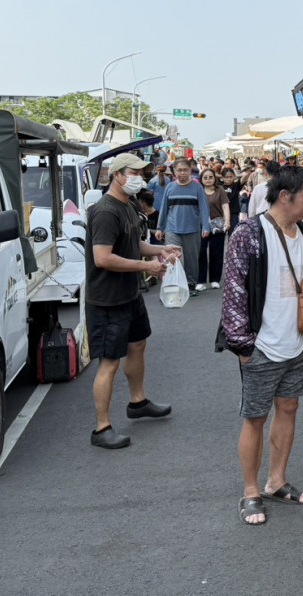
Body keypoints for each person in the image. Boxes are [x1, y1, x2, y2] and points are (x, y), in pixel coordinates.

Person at [221, 164, 303, 526]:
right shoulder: (249, 234)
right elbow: (233, 292)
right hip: (262, 344)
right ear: (284, 196)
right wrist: (243, 346)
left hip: (301, 340)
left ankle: (276, 481)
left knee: (289, 407)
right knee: (255, 417)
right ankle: (250, 491)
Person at [85, 153, 181, 449]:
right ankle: (102, 428)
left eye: (142, 173)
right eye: (134, 172)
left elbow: (131, 243)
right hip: (107, 299)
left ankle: (138, 402)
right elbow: (103, 258)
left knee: (138, 344)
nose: (140, 178)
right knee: (109, 363)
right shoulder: (105, 211)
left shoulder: (127, 205)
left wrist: (159, 250)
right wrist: (146, 266)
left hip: (129, 293)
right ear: (117, 175)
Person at [155, 158, 210, 298]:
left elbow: (204, 208)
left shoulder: (197, 187)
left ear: (190, 170)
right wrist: (160, 227)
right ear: (174, 171)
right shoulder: (170, 187)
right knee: (174, 259)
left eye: (185, 170)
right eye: (179, 170)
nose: (182, 173)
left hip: (192, 229)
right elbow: (164, 208)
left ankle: (191, 284)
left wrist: (206, 226)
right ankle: (175, 285)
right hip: (172, 229)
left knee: (192, 259)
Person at [197, 168, 231, 291]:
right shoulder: (198, 190)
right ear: (201, 179)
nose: (208, 179)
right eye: (205, 177)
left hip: (217, 225)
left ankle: (215, 279)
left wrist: (227, 222)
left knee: (216, 253)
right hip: (201, 226)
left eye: (210, 177)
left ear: (214, 178)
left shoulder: (220, 190)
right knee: (201, 253)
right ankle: (200, 280)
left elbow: (225, 206)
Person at [223, 167, 243, 233]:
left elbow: (245, 175)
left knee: (233, 233)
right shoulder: (219, 186)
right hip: (221, 213)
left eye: (231, 177)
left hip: (233, 212)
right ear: (223, 177)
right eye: (226, 177)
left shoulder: (236, 185)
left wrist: (236, 176)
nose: (229, 179)